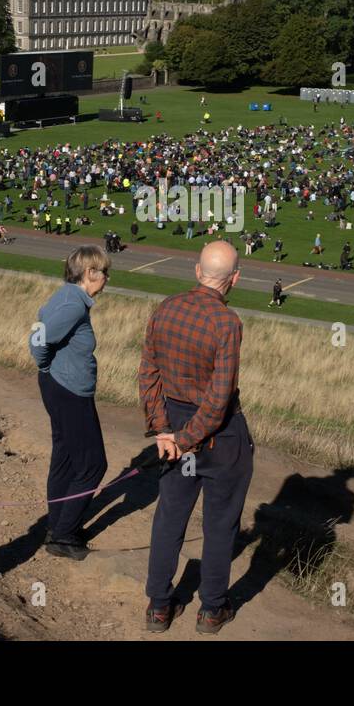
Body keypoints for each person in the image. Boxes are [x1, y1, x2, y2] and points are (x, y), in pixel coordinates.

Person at [140, 241, 252, 635]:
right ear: (234, 279)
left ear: (196, 270)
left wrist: (164, 431)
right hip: (217, 434)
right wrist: (182, 437)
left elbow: (148, 375)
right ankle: (211, 609)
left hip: (175, 421)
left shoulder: (165, 308)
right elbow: (219, 399)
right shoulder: (228, 323)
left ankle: (158, 605)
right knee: (221, 523)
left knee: (170, 515)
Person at [29, 245, 112, 561]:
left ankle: (57, 524)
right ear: (90, 272)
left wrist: (49, 370)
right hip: (69, 391)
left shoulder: (68, 296)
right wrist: (47, 366)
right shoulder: (73, 304)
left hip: (62, 387)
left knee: (64, 455)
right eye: (104, 271)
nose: (107, 278)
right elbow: (37, 338)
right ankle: (64, 535)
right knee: (93, 463)